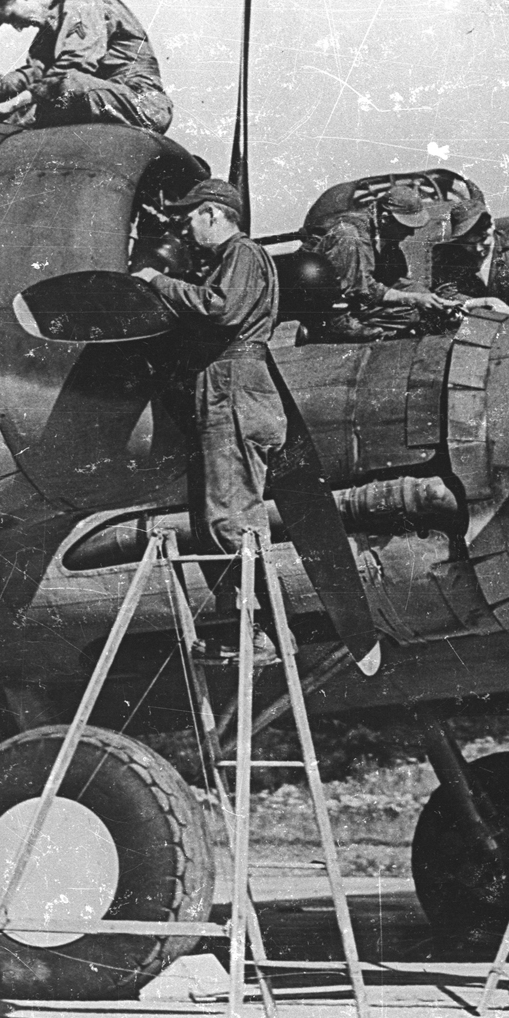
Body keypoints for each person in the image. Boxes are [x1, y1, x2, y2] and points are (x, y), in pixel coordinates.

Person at [132, 179, 283, 661]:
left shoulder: (243, 254)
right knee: (214, 513)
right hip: (226, 384)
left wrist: (158, 281)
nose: (186, 226)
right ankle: (245, 626)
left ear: (214, 215)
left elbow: (221, 309)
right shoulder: (237, 260)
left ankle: (259, 633)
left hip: (233, 385)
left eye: (191, 217)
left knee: (230, 514)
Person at [0, 0, 173, 134]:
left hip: (141, 103)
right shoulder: (51, 27)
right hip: (94, 98)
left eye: (11, 17)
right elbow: (35, 74)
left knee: (63, 86)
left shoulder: (83, 1)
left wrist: (13, 103)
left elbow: (73, 67)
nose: (18, 27)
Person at [309, 184, 464, 341]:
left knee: (415, 314)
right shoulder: (352, 234)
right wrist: (415, 299)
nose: (411, 232)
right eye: (406, 225)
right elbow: (363, 289)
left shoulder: (384, 237)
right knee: (410, 314)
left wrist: (433, 299)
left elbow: (397, 281)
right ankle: (326, 330)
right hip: (330, 308)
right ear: (385, 219)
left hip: (358, 302)